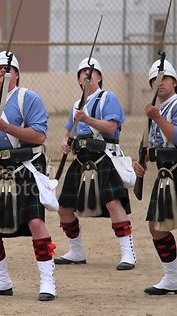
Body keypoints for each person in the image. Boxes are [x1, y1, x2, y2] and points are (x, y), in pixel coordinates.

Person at [0, 51, 56, 301]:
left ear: (17, 74)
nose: (2, 72)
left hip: (25, 167)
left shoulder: (27, 98)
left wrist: (5, 127)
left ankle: (47, 281)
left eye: (7, 69)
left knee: (35, 223)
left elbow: (39, 137)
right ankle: (2, 281)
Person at [54, 57, 136, 271]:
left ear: (99, 77)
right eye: (82, 72)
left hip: (103, 156)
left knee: (113, 203)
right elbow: (67, 132)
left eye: (91, 72)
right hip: (81, 158)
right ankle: (77, 251)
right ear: (79, 80)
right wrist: (65, 143)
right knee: (63, 207)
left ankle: (128, 253)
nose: (86, 75)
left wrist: (86, 119)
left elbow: (110, 128)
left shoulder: (108, 97)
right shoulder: (76, 104)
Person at [134, 59, 177, 295]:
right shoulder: (155, 111)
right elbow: (154, 146)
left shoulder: (173, 106)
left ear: (174, 82)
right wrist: (141, 161)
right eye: (154, 80)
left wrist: (157, 117)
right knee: (156, 227)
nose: (158, 83)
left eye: (164, 78)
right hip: (165, 174)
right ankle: (173, 277)